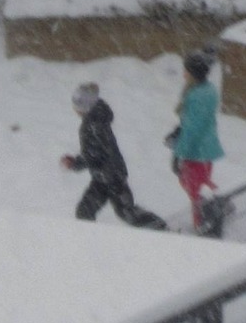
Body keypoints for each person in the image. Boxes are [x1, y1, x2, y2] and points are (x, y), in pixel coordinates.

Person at [62, 82, 167, 228]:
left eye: (78, 104)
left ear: (86, 106)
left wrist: (75, 163)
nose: (75, 108)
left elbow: (94, 154)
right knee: (85, 211)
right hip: (103, 177)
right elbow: (94, 153)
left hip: (112, 177)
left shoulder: (93, 125)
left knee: (126, 212)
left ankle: (160, 227)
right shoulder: (95, 120)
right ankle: (88, 240)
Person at [169, 51, 225, 229]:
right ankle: (219, 203)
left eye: (186, 70)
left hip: (195, 151)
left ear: (193, 73)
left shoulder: (195, 96)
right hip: (206, 148)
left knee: (194, 188)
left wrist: (179, 152)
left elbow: (192, 129)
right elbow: (195, 122)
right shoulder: (207, 90)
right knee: (200, 183)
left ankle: (202, 225)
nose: (183, 74)